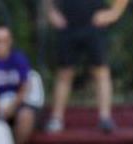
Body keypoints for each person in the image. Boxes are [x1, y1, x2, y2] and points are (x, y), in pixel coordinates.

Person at [44, 0, 128, 134]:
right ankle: (56, 118)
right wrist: (51, 12)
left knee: (101, 71)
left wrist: (114, 13)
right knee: (64, 73)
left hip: (95, 23)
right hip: (68, 23)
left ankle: (105, 118)